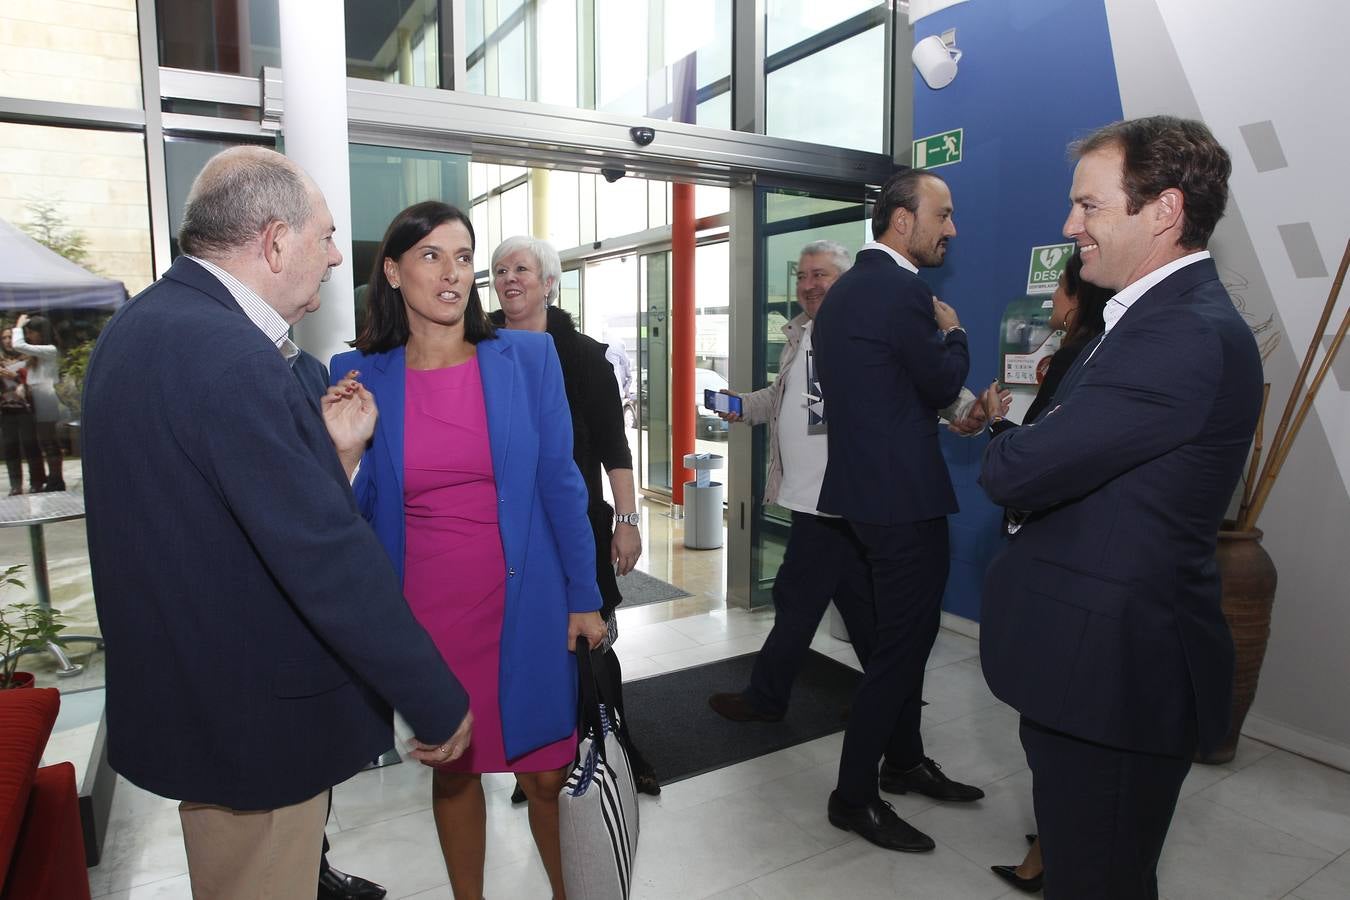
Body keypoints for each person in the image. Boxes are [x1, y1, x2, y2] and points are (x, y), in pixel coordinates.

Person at [81, 146, 473, 899]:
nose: (333, 257)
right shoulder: (231, 356)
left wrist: (327, 454)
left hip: (202, 704)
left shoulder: (142, 329)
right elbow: (320, 552)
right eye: (323, 236)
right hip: (252, 721)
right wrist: (431, 691)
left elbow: (209, 513)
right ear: (273, 242)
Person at [979, 116, 1263, 898]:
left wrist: (1004, 440)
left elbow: (1021, 469)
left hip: (1114, 675)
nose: (1072, 226)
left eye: (1090, 206)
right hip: (1089, 665)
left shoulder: (1182, 333)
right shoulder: (1140, 320)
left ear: (1164, 210)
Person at [330, 202, 606, 900]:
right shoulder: (359, 376)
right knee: (454, 771)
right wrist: (345, 452)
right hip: (427, 614)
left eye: (462, 257)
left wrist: (585, 596)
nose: (452, 274)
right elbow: (351, 516)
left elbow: (560, 481)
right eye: (431, 256)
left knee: (545, 775)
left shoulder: (527, 357)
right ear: (392, 271)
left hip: (529, 597)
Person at [707, 240, 988, 725]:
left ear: (849, 283)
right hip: (813, 499)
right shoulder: (801, 334)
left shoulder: (863, 326)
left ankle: (811, 704)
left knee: (816, 607)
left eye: (822, 275)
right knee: (851, 614)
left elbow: (915, 381)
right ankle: (890, 714)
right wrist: (740, 407)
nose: (810, 285)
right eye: (802, 275)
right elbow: (784, 396)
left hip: (845, 500)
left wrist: (966, 410)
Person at [812, 168, 987, 854]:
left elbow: (881, 395)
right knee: (900, 650)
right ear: (902, 221)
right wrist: (958, 332)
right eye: (943, 214)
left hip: (860, 497)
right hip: (902, 503)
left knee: (898, 641)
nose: (952, 229)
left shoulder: (847, 293)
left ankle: (905, 761)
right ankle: (854, 796)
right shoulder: (905, 294)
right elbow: (942, 382)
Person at [488, 234, 660, 796]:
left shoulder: (585, 356)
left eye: (522, 269)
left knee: (594, 643)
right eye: (500, 270)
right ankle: (538, 753)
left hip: (577, 524)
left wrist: (627, 521)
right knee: (525, 643)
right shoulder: (478, 346)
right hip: (504, 530)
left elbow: (615, 447)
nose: (510, 279)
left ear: (549, 282)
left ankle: (619, 751)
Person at [977, 248, 1112, 895]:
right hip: (1058, 565)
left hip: (1064, 572)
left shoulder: (1086, 363)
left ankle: (1054, 850)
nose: (1050, 305)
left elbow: (1038, 467)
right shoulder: (1081, 358)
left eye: (1058, 292)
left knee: (1053, 728)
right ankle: (1061, 834)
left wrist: (999, 428)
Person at [291, 348, 392, 900]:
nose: (333, 255)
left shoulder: (310, 371)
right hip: (248, 618)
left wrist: (345, 453)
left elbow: (326, 493)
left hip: (314, 601)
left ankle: (315, 866)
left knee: (311, 761)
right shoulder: (219, 362)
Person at [11, 313, 64, 491]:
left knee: (49, 441)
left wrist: (18, 326)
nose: (29, 336)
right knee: (45, 440)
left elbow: (17, 345)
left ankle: (56, 479)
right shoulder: (38, 355)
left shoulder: (50, 350)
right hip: (37, 396)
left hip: (46, 396)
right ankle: (53, 477)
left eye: (31, 332)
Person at [0, 326, 44, 494]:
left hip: (26, 408)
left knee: (30, 444)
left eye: (10, 337)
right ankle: (15, 485)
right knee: (10, 445)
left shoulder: (29, 358)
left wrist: (16, 377)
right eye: (4, 338)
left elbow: (35, 383)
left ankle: (37, 482)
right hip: (7, 408)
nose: (7, 341)